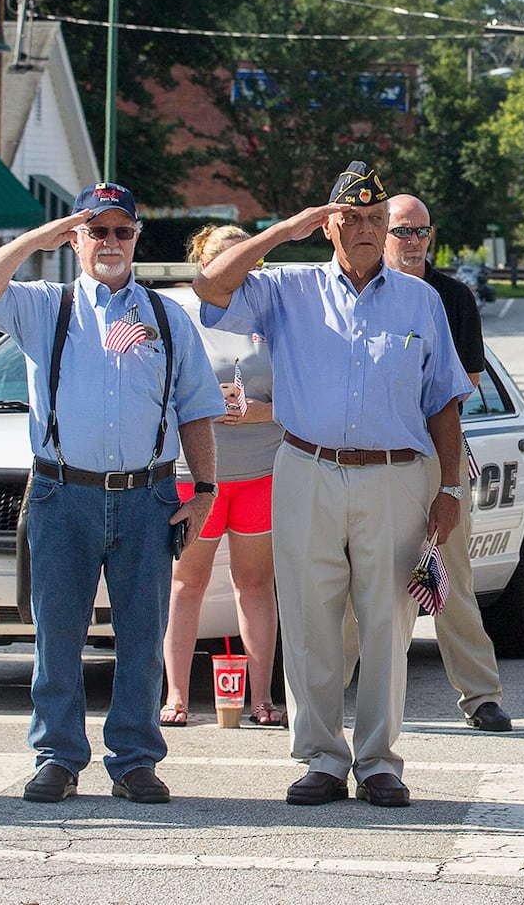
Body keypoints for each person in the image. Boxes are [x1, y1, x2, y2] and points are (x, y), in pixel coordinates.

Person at [193, 161, 473, 809]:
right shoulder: (287, 290)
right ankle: (320, 757)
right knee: (309, 617)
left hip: (395, 475)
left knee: (386, 625)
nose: (368, 229)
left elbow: (444, 405)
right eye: (352, 218)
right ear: (329, 225)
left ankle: (378, 762)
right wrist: (281, 230)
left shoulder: (421, 301)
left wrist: (450, 490)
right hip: (305, 467)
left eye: (378, 218)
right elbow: (209, 289)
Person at [0, 182, 225, 805]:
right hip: (61, 491)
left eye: (120, 232)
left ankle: (134, 760)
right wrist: (38, 237)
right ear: (75, 239)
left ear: (136, 240)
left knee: (140, 633)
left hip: (147, 495)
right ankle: (57, 756)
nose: (109, 242)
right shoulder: (42, 306)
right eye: (95, 230)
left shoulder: (165, 316)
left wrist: (205, 489)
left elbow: (197, 410)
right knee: (58, 632)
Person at [380, 193, 512, 733]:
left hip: (438, 454)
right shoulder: (359, 293)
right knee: (354, 583)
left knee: (451, 576)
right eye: (402, 231)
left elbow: (466, 385)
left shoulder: (452, 297)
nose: (413, 242)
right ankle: (332, 692)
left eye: (420, 232)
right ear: (379, 231)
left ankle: (480, 694)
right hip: (367, 456)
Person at [161, 224, 285, 729]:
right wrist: (206, 407)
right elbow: (161, 393)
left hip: (261, 469)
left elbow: (304, 392)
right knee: (186, 583)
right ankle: (176, 696)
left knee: (255, 585)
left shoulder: (272, 312)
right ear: (204, 264)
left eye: (247, 260)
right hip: (198, 473)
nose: (240, 271)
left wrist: (261, 412)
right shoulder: (181, 313)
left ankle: (261, 699)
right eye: (227, 261)